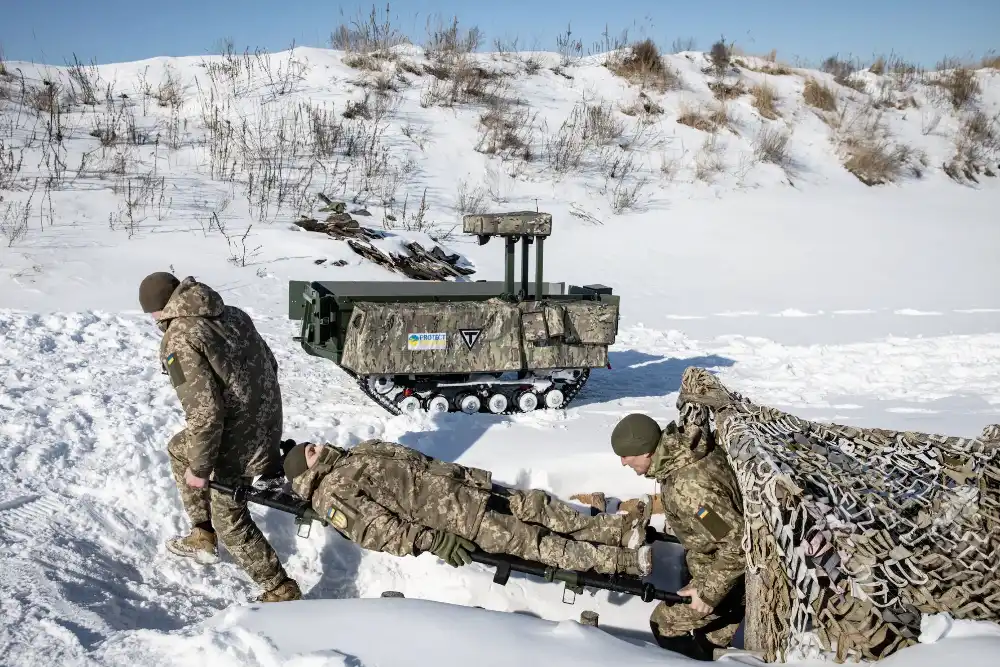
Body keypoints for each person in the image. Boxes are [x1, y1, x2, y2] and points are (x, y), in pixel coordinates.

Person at [139, 271, 301, 603]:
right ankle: (201, 533)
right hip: (268, 421)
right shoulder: (232, 314)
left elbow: (205, 413)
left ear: (159, 309)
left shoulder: (179, 338)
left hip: (237, 436)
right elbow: (270, 363)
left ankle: (279, 589)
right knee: (178, 448)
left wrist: (200, 471)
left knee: (230, 516)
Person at [280, 438, 655, 577]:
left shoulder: (353, 453)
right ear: (305, 472)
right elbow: (379, 531)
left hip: (471, 489)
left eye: (310, 444)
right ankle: (622, 563)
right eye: (308, 453)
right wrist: (434, 541)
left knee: (545, 508)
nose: (315, 446)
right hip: (461, 521)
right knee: (542, 544)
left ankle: (619, 532)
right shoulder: (330, 495)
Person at [610, 411, 746, 661]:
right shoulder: (679, 457)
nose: (623, 463)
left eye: (626, 456)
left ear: (646, 451)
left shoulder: (690, 489)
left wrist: (708, 594)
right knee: (711, 640)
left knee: (664, 624)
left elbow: (737, 545)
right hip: (717, 569)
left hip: (727, 577)